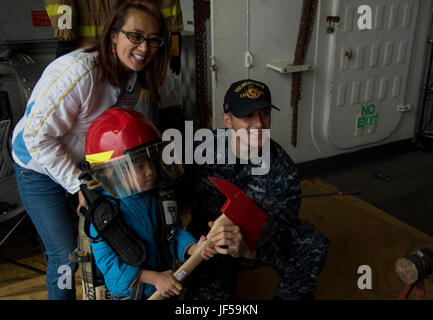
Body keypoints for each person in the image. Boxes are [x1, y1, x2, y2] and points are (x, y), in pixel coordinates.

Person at [11, 0, 170, 300]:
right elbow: (37, 138)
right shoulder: (79, 72)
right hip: (36, 166)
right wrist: (78, 185)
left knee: (107, 235)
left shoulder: (132, 77)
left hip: (82, 164)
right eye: (135, 36)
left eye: (153, 40)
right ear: (113, 34)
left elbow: (108, 134)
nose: (145, 48)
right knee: (64, 254)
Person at [182, 79, 330, 300]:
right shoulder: (201, 149)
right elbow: (175, 195)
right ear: (227, 120)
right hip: (208, 241)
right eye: (248, 116)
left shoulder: (282, 168)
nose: (259, 124)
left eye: (265, 114)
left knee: (311, 241)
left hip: (257, 241)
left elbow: (280, 229)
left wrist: (247, 249)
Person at [81, 108, 215, 300]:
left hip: (166, 284)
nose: (151, 171)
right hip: (133, 294)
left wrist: (193, 248)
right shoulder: (103, 214)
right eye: (140, 166)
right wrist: (154, 278)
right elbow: (110, 264)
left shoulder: (157, 197)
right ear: (112, 172)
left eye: (151, 163)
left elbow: (173, 232)